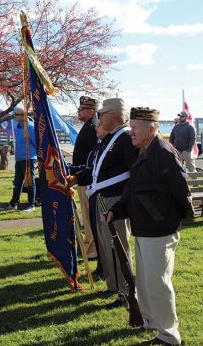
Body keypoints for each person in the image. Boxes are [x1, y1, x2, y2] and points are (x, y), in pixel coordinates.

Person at [104, 107, 194, 346]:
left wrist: (170, 220)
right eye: (131, 126)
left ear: (152, 130)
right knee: (144, 283)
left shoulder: (163, 153)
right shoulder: (143, 151)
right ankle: (151, 322)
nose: (130, 132)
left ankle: (169, 335)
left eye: (135, 128)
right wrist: (116, 210)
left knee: (158, 284)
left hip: (160, 230)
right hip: (144, 228)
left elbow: (181, 191)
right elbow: (133, 190)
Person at [74, 98, 137, 309]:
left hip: (115, 199)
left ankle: (126, 291)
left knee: (118, 246)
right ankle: (114, 285)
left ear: (115, 116)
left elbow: (132, 172)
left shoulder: (126, 138)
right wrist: (76, 178)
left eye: (103, 114)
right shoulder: (110, 138)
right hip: (102, 197)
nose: (99, 118)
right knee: (105, 246)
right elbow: (98, 169)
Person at [72, 96, 99, 259]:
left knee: (89, 215)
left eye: (81, 109)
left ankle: (92, 250)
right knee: (86, 213)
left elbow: (93, 155)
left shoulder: (93, 127)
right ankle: (89, 247)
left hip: (88, 178)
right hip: (83, 177)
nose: (78, 112)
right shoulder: (88, 126)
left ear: (91, 111)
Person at [5, 107, 37, 212]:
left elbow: (37, 143)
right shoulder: (18, 127)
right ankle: (14, 203)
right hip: (19, 159)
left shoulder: (30, 127)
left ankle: (31, 205)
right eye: (15, 114)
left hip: (28, 158)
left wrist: (36, 157)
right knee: (18, 182)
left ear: (24, 116)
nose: (14, 116)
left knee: (30, 182)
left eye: (17, 114)